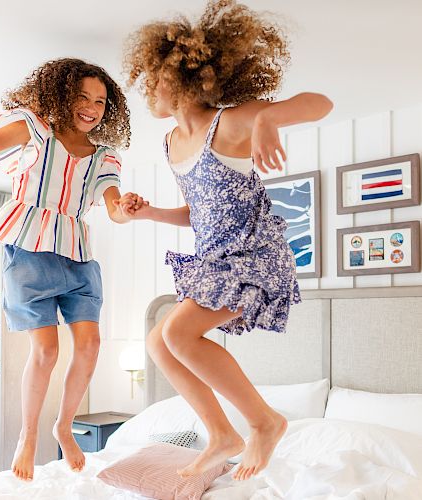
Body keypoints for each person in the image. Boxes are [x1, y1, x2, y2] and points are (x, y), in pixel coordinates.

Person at [122, 0, 333, 481]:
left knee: (178, 334)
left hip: (256, 256)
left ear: (177, 79)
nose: (149, 90)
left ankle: (264, 422)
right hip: (216, 257)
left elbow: (322, 103)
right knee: (159, 342)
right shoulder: (172, 143)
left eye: (153, 79)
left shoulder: (230, 122)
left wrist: (267, 119)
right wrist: (150, 212)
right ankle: (221, 434)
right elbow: (202, 212)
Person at [0, 58, 145, 481]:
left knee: (91, 344)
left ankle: (64, 425)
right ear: (60, 95)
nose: (91, 107)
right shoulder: (33, 129)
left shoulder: (104, 157)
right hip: (28, 246)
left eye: (100, 101)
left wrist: (126, 208)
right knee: (46, 351)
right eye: (82, 96)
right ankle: (28, 435)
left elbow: (113, 207)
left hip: (77, 253)